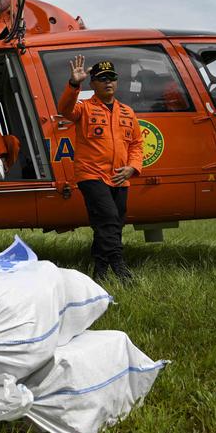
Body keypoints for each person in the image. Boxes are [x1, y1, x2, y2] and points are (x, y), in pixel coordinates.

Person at [58, 56, 143, 282]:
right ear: (93, 84)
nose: (108, 82)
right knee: (108, 218)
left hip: (119, 177)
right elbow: (65, 109)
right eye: (102, 79)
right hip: (91, 174)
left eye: (112, 78)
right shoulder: (83, 108)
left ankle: (100, 270)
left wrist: (132, 167)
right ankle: (119, 266)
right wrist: (74, 84)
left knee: (111, 223)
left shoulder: (127, 112)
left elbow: (136, 144)